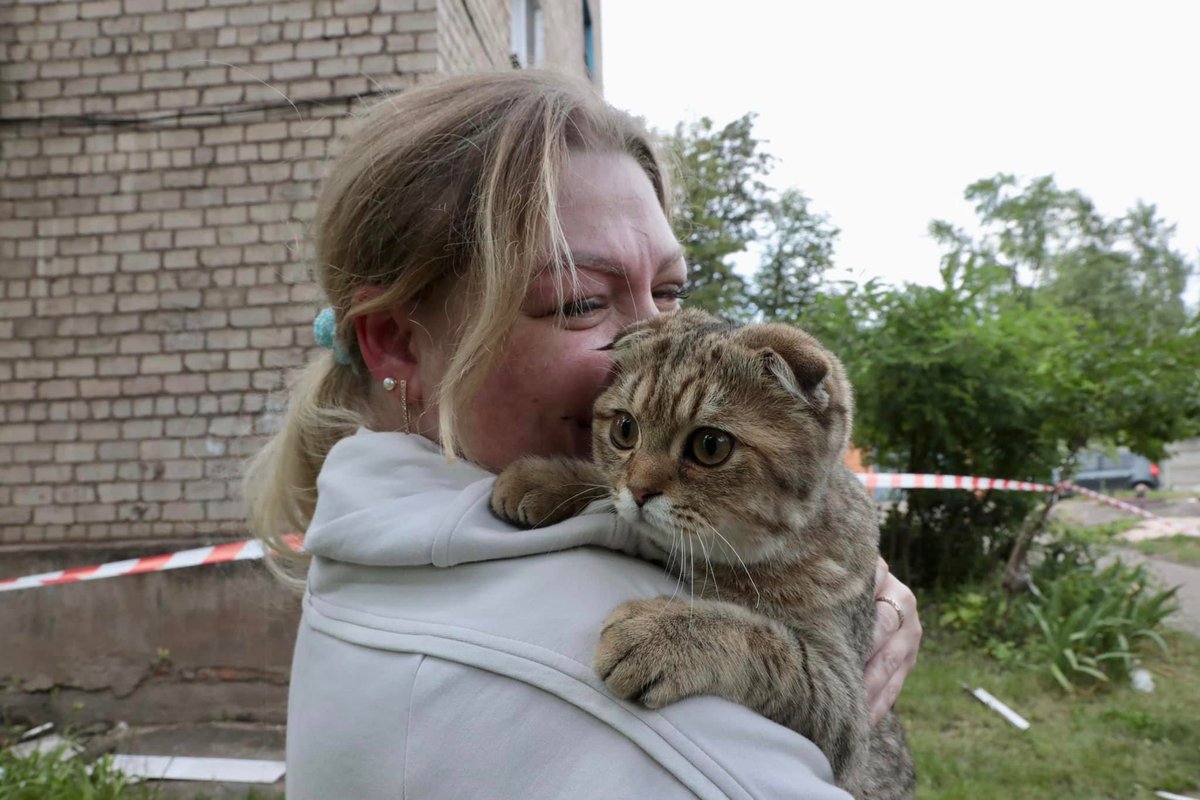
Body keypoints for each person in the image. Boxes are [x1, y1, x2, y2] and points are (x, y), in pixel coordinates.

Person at [245, 70, 921, 799]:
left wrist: (859, 596)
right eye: (579, 300)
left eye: (669, 290)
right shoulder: (629, 714)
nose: (651, 340)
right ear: (399, 342)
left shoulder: (357, 542)